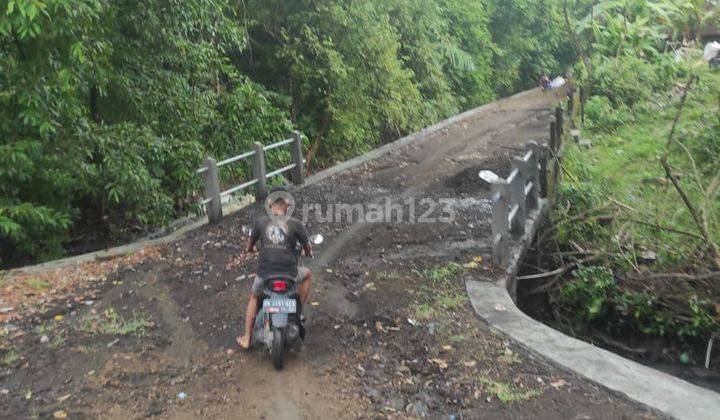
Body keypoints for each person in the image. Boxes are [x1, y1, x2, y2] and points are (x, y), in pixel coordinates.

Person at [237, 186, 313, 350]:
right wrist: (305, 252)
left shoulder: (260, 222)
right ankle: (298, 308)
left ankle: (247, 338)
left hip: (266, 275)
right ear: (286, 204)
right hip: (290, 274)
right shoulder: (296, 224)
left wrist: (253, 250)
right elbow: (308, 250)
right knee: (307, 274)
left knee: (254, 296)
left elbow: (249, 247)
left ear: (270, 203)